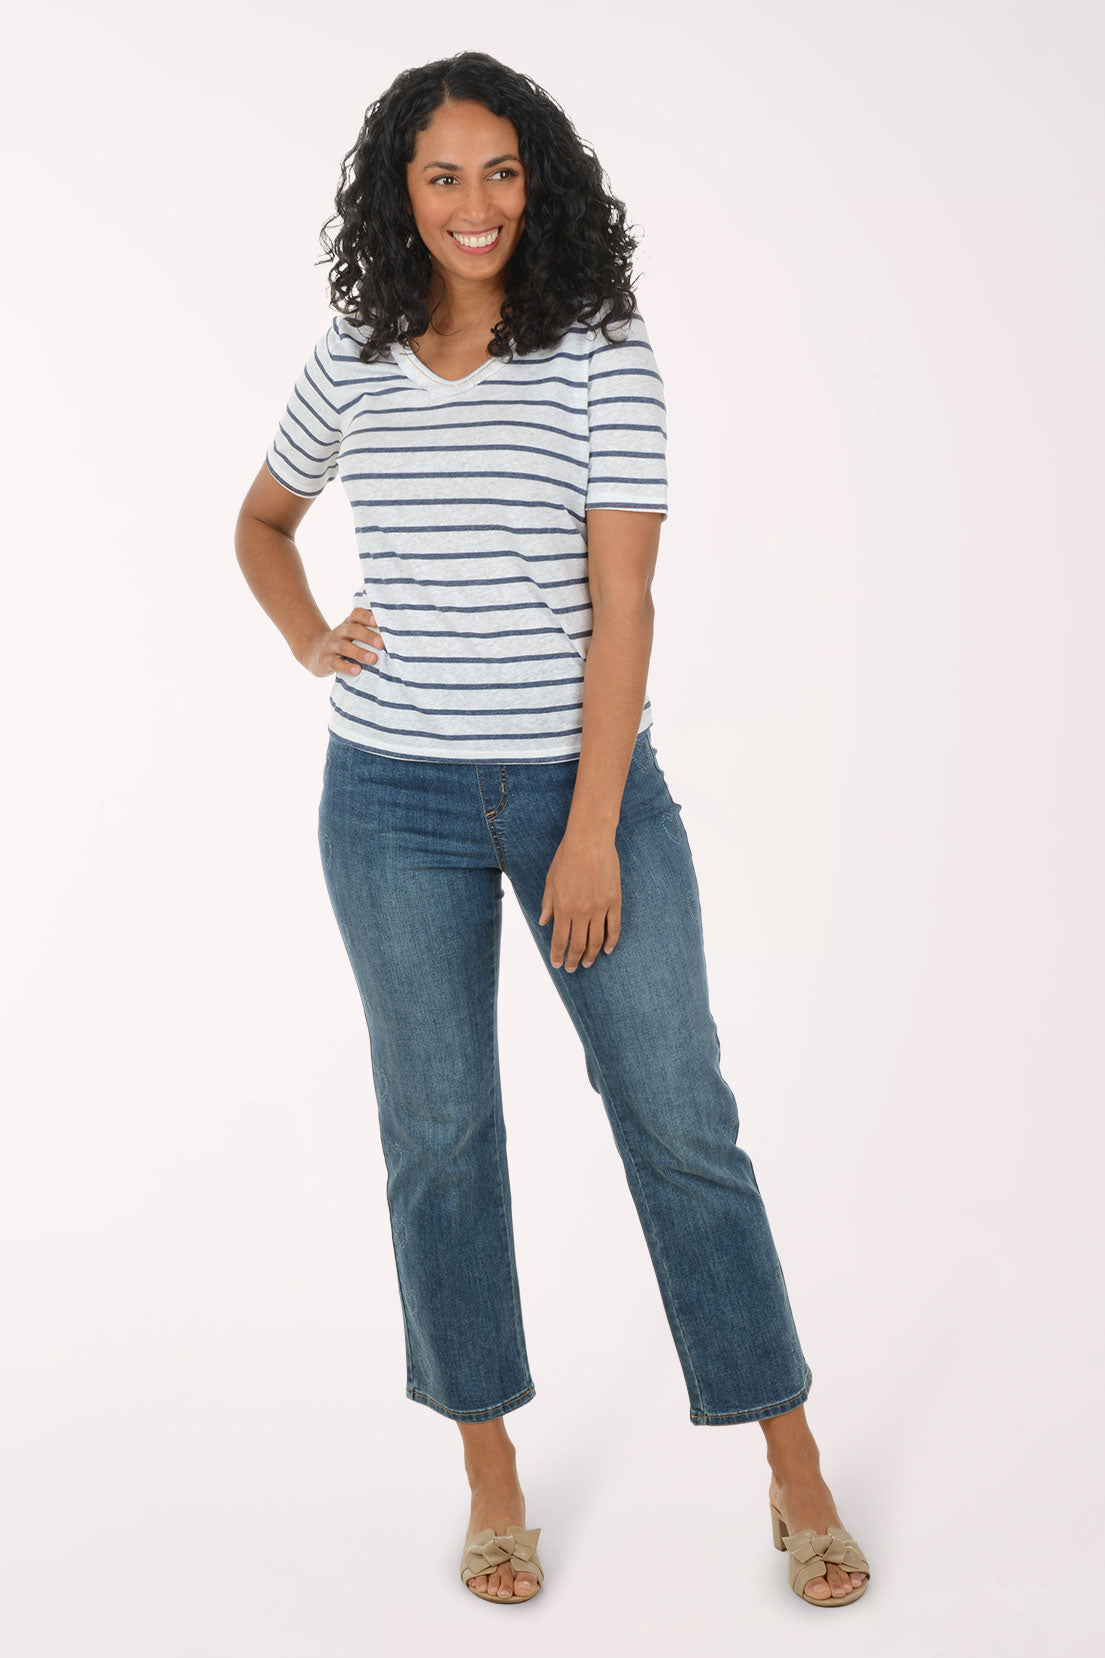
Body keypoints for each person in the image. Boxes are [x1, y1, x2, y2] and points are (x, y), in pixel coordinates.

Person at [235, 50, 871, 1610]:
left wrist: (590, 830)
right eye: (442, 175)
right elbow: (259, 521)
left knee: (678, 1118)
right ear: (400, 190)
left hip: (583, 794)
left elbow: (624, 601)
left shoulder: (599, 349)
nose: (474, 204)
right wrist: (310, 631)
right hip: (389, 800)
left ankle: (790, 1458)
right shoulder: (357, 350)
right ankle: (490, 1469)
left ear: (542, 183)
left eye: (501, 172)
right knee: (439, 1141)